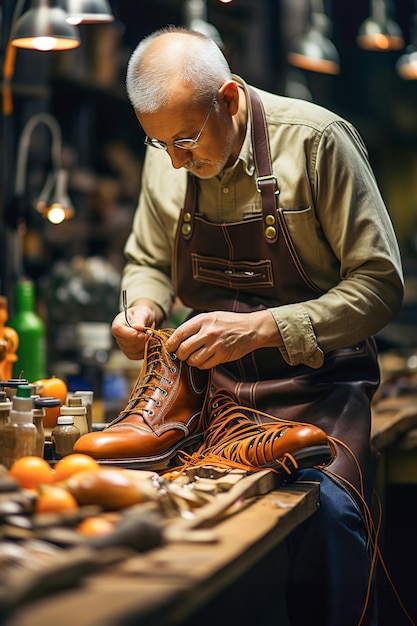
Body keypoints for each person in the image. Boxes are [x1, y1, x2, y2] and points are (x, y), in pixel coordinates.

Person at [110, 26, 403, 625]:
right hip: (209, 401)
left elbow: (379, 285)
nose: (174, 161)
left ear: (231, 99)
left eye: (187, 140)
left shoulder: (318, 143)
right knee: (165, 526)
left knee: (329, 520)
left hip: (318, 398)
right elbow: (146, 260)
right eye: (157, 142)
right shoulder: (169, 149)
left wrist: (267, 328)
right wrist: (142, 306)